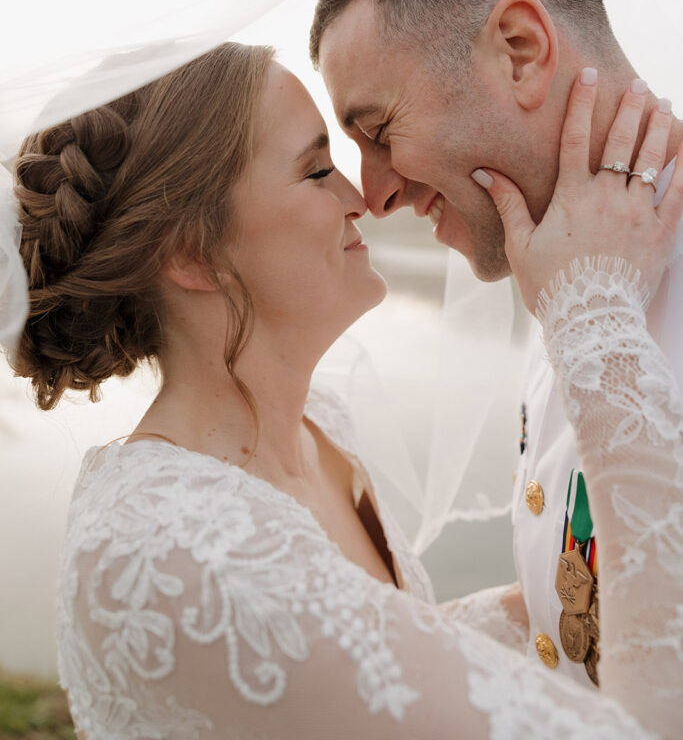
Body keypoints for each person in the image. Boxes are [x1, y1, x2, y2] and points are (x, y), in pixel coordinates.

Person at [8, 40, 683, 738]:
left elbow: (372, 660)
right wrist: (593, 316)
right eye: (315, 170)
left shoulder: (315, 433)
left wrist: (553, 601)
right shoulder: (176, 547)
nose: (361, 198)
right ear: (190, 253)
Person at [310, 0, 683, 687]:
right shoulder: (572, 270)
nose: (373, 194)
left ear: (519, 50)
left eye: (378, 134)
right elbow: (577, 600)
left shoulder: (586, 293)